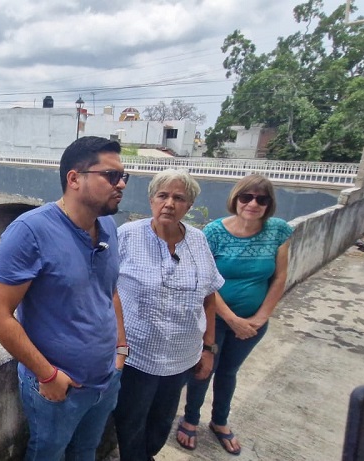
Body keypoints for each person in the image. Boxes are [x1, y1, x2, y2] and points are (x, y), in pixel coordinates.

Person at [0, 136, 128, 461]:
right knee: (48, 453)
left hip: (106, 379)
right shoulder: (29, 232)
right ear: (74, 179)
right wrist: (48, 375)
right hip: (58, 388)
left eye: (123, 176)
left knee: (86, 451)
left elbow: (110, 290)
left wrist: (121, 349)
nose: (121, 184)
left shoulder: (108, 224)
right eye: (111, 176)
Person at [112, 169, 223, 461]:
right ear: (151, 200)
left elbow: (209, 295)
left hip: (181, 358)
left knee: (162, 421)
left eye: (179, 198)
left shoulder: (198, 240)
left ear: (189, 206)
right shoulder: (127, 235)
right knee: (130, 420)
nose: (169, 204)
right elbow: (104, 289)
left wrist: (209, 348)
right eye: (163, 196)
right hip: (137, 355)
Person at [179, 174, 292, 456]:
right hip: (214, 320)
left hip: (253, 323)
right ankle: (190, 418)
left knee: (229, 372)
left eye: (261, 199)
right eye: (246, 197)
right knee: (204, 370)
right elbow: (205, 280)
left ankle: (220, 421)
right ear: (236, 199)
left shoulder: (278, 231)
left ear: (269, 204)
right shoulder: (214, 232)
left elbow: (279, 278)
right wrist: (232, 319)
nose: (253, 204)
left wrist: (260, 318)